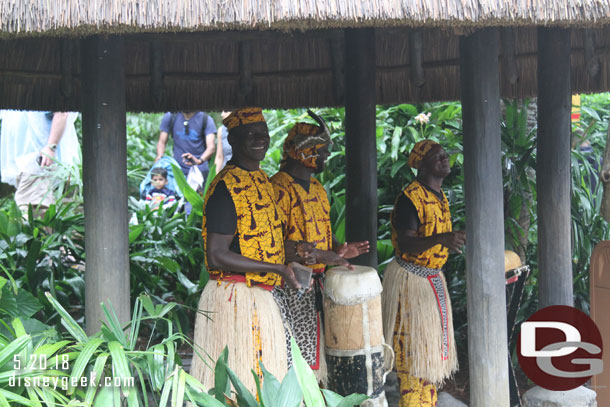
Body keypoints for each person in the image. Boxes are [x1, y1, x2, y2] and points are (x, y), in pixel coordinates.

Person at [190, 108, 347, 395]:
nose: (260, 139)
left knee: (266, 385)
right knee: (242, 388)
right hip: (234, 297)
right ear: (233, 140)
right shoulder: (225, 187)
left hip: (261, 297)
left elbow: (269, 243)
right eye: (251, 134)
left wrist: (301, 250)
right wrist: (275, 269)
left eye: (264, 133)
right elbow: (216, 255)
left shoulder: (261, 180)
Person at [270, 110, 370, 383]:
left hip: (318, 284)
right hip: (290, 288)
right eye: (322, 150)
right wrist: (327, 257)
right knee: (296, 363)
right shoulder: (277, 188)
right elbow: (276, 245)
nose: (326, 155)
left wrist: (339, 250)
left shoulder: (317, 188)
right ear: (303, 151)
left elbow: (323, 233)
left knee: (320, 363)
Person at [381, 140, 465, 407]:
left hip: (430, 280)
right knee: (414, 358)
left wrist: (446, 241)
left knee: (429, 362)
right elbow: (405, 243)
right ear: (420, 164)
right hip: (411, 282)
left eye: (444, 154)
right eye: (437, 156)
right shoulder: (410, 198)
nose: (444, 158)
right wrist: (442, 239)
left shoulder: (439, 196)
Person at [0, 110, 80, 216]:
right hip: (28, 161)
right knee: (38, 213)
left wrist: (51, 147)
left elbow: (62, 112)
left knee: (32, 213)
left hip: (40, 160)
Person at [156, 111, 217, 179]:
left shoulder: (206, 119)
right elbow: (162, 142)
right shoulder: (171, 116)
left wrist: (199, 160)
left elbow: (211, 147)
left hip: (199, 170)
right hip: (177, 170)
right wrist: (160, 157)